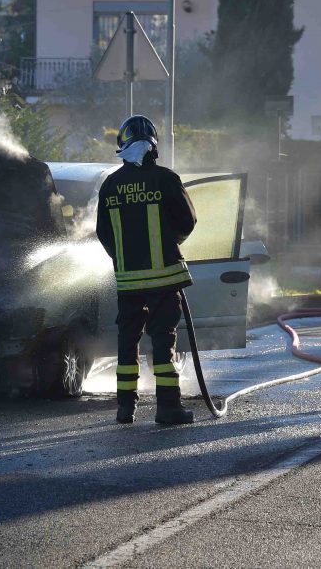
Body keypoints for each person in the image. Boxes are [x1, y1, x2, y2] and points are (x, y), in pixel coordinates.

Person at [95, 115, 198, 425]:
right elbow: (188, 221)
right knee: (163, 343)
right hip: (165, 278)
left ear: (122, 146)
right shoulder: (166, 179)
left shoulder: (110, 185)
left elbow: (103, 233)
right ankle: (168, 408)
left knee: (127, 342)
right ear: (154, 146)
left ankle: (125, 407)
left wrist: (124, 259)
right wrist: (169, 244)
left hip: (128, 282)